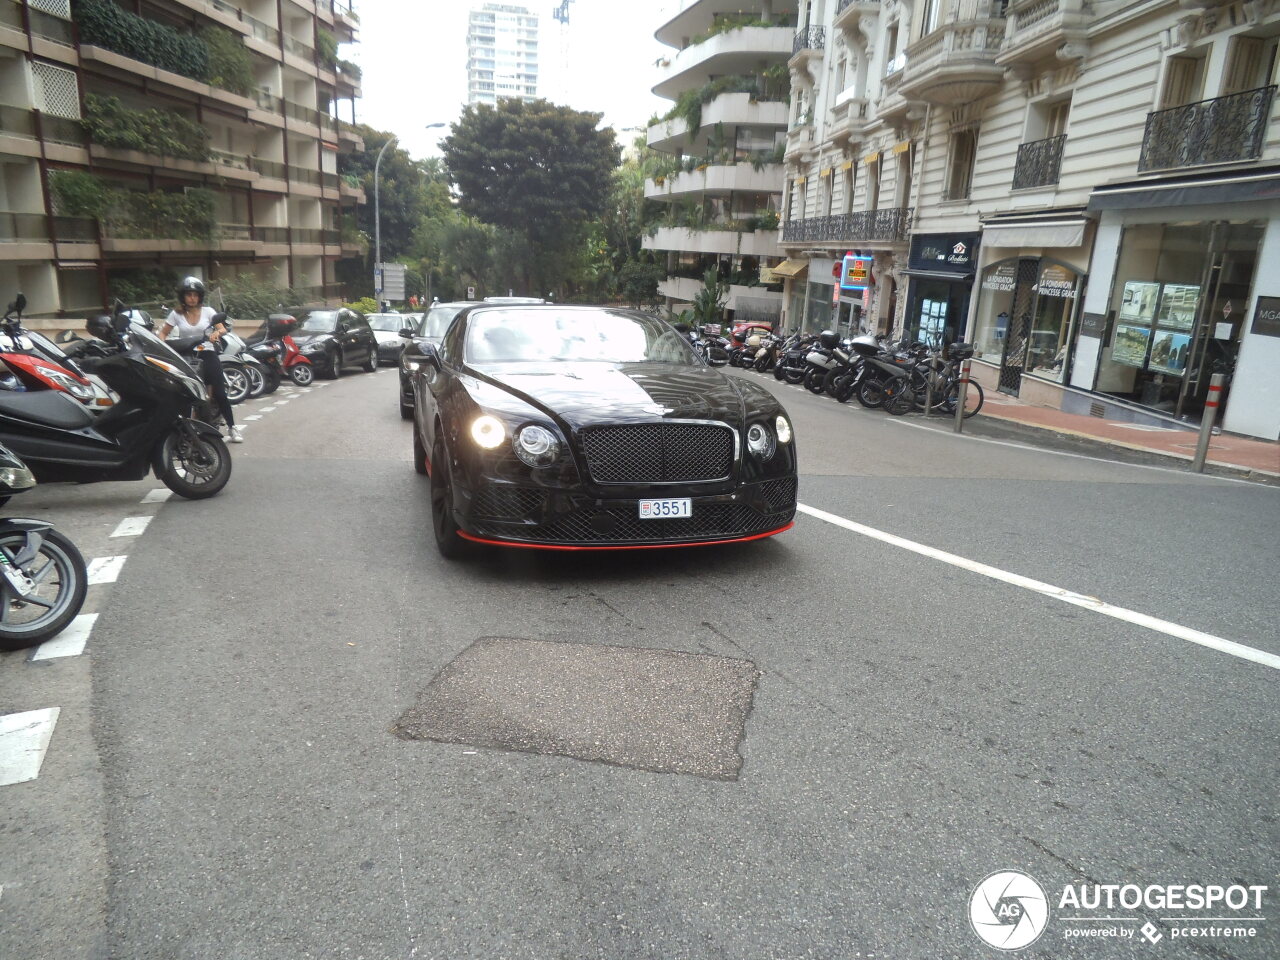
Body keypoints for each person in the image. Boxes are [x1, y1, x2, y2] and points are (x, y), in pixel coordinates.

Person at [158, 277, 242, 443]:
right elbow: (163, 333)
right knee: (186, 393)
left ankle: (233, 427)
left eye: (195, 295)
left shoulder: (209, 312)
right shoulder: (176, 314)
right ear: (183, 296)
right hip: (186, 356)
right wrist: (160, 344)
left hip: (207, 354)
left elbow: (222, 328)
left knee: (219, 392)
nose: (192, 298)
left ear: (200, 296)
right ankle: (185, 430)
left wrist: (216, 334)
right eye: (188, 295)